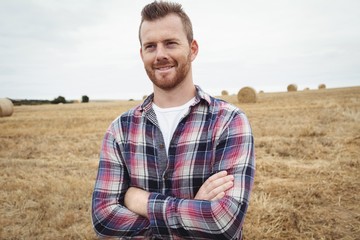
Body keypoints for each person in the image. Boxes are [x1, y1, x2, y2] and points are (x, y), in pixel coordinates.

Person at [91, 1, 255, 239]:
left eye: (170, 43)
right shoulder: (120, 130)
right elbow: (103, 220)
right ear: (142, 54)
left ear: (193, 48)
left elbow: (223, 222)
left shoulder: (228, 121)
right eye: (150, 46)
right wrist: (194, 213)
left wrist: (139, 200)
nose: (160, 55)